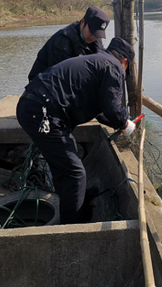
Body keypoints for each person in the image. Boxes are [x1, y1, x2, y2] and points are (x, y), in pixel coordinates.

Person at [16, 37, 136, 224]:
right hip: (43, 112)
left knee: (64, 165)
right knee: (75, 173)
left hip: (32, 106)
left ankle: (70, 204)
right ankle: (72, 227)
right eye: (126, 70)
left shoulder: (96, 61)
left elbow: (101, 108)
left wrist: (118, 122)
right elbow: (113, 109)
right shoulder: (114, 67)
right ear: (125, 62)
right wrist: (125, 123)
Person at [27, 6, 110, 82]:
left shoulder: (94, 39)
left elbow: (100, 62)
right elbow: (61, 75)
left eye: (97, 35)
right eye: (92, 32)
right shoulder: (62, 41)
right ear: (82, 23)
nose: (93, 37)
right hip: (42, 85)